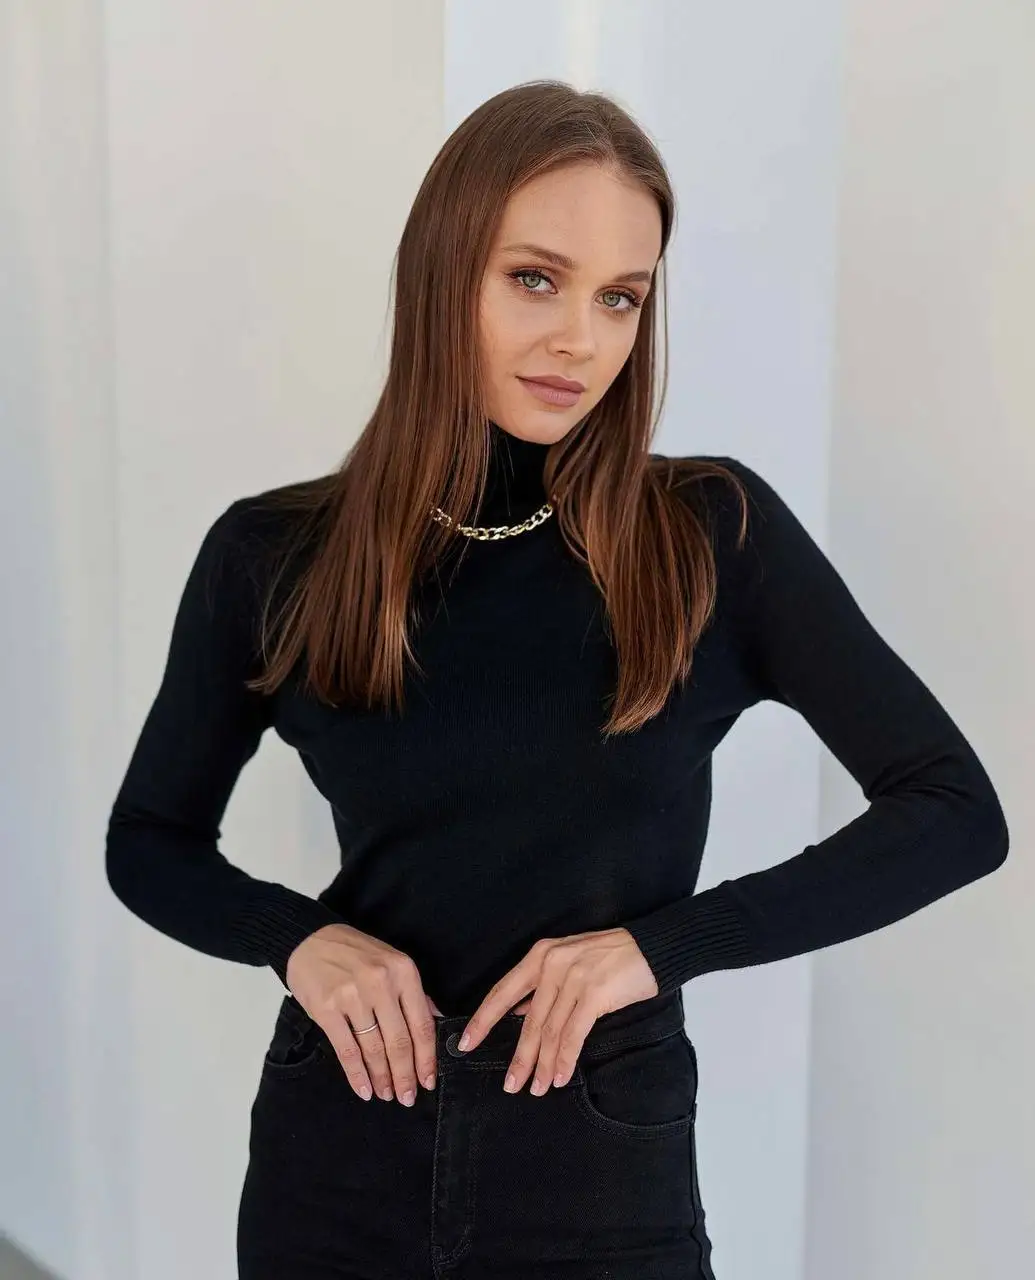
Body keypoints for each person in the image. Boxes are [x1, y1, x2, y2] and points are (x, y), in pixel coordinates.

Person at [105, 80, 1009, 1280]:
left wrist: (661, 945)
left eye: (620, 296)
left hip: (599, 1165)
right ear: (443, 273)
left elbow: (953, 809)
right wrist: (297, 936)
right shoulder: (276, 555)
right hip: (337, 1152)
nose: (582, 338)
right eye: (536, 278)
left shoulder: (707, 534)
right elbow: (149, 838)